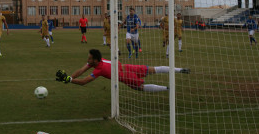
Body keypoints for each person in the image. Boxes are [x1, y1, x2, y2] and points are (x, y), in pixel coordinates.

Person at [56, 49, 190, 92]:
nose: (88, 60)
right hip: (128, 66)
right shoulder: (98, 62)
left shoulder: (99, 69)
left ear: (95, 60)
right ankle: (180, 70)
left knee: (140, 88)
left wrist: (70, 81)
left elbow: (85, 81)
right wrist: (69, 77)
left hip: (124, 75)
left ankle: (167, 89)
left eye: (89, 58)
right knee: (154, 69)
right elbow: (81, 70)